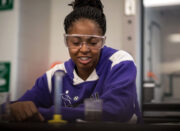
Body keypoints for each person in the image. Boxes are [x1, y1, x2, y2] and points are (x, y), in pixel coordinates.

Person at [9, 0, 142, 123]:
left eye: (93, 42)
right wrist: (15, 108)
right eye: (76, 42)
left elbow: (115, 110)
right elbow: (12, 108)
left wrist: (48, 113)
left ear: (102, 41)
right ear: (67, 41)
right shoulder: (55, 76)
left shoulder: (120, 62)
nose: (84, 49)